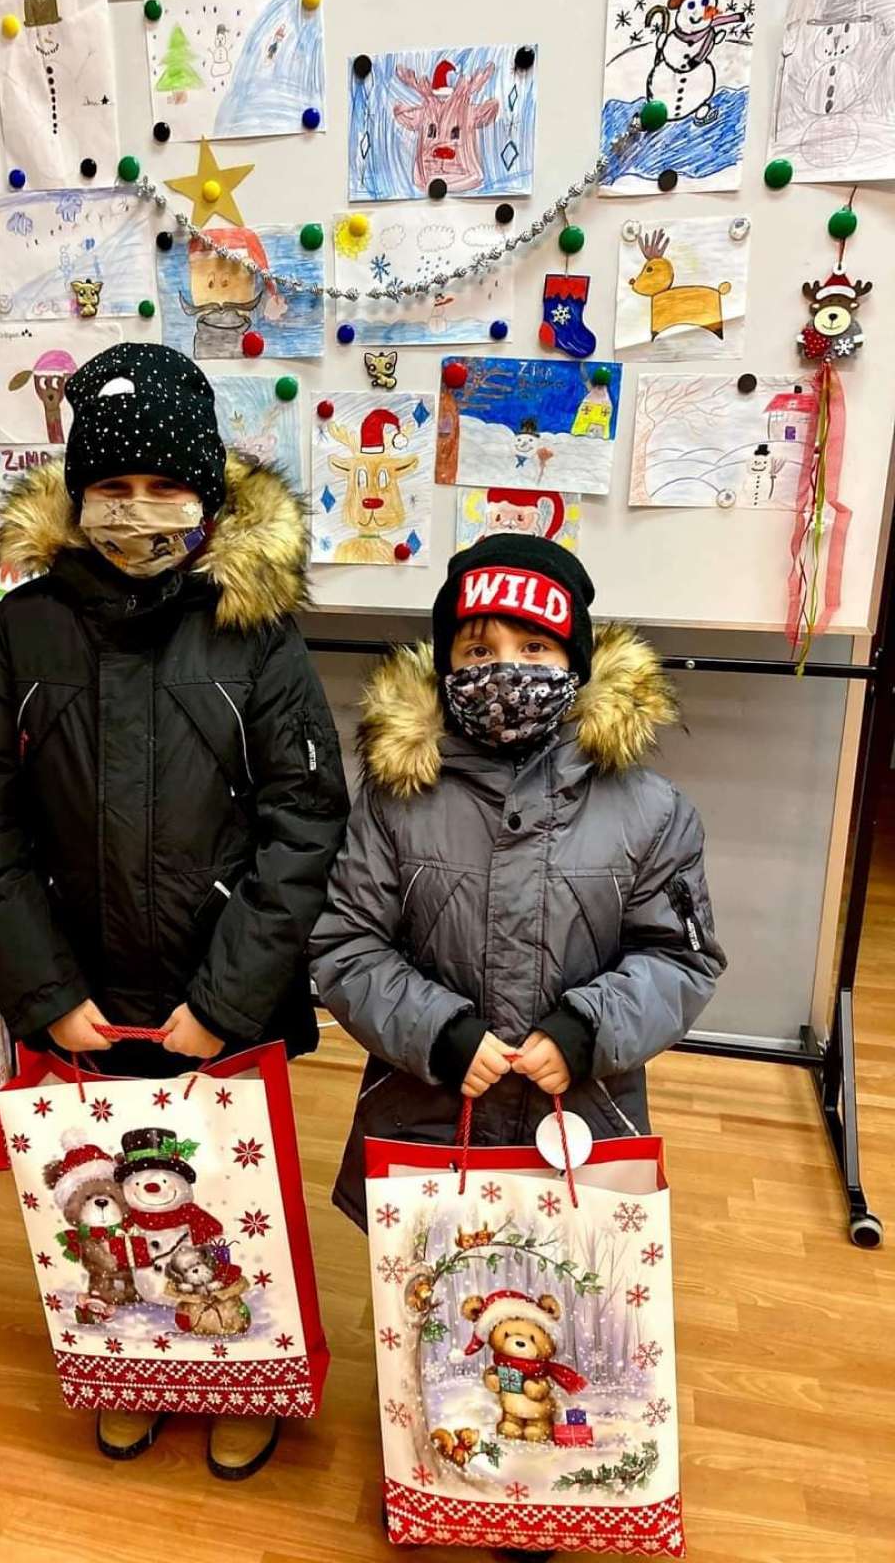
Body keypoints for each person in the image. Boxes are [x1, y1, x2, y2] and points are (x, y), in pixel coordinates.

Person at [0, 342, 349, 1481]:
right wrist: (42, 991)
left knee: (228, 1202)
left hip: (223, 996)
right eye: (111, 487)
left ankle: (246, 1377)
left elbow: (305, 822)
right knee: (107, 1211)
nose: (136, 509)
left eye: (163, 486)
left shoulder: (255, 631)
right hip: (82, 996)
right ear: (77, 496)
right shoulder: (23, 632)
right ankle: (134, 1374)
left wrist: (228, 998)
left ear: (206, 496)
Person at [310, 535, 725, 1563]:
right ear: (444, 658)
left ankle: (534, 1484)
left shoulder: (649, 809)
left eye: (533, 645)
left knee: (560, 1298)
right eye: (477, 646)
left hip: (577, 1118)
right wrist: (441, 1031)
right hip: (424, 1107)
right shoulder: (396, 797)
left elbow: (681, 954)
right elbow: (345, 942)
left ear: (575, 656)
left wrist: (586, 1029)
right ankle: (428, 1460)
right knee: (429, 1297)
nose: (504, 668)